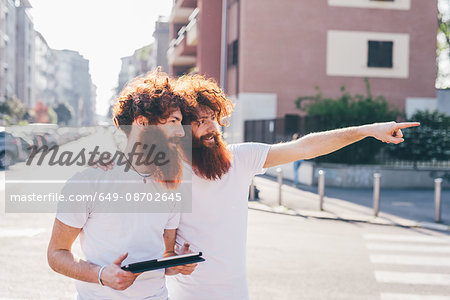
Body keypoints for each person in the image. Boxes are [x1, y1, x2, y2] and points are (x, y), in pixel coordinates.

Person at [163, 74, 419, 300]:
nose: (210, 128)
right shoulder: (170, 174)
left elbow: (305, 147)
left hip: (236, 293)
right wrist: (175, 265)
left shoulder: (240, 159)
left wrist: (368, 130)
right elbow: (162, 254)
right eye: (198, 122)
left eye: (212, 119)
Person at [47, 72, 197, 300]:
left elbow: (163, 255)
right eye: (174, 122)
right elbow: (56, 254)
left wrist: (177, 263)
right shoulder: (88, 182)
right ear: (142, 122)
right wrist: (100, 275)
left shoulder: (172, 186)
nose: (181, 132)